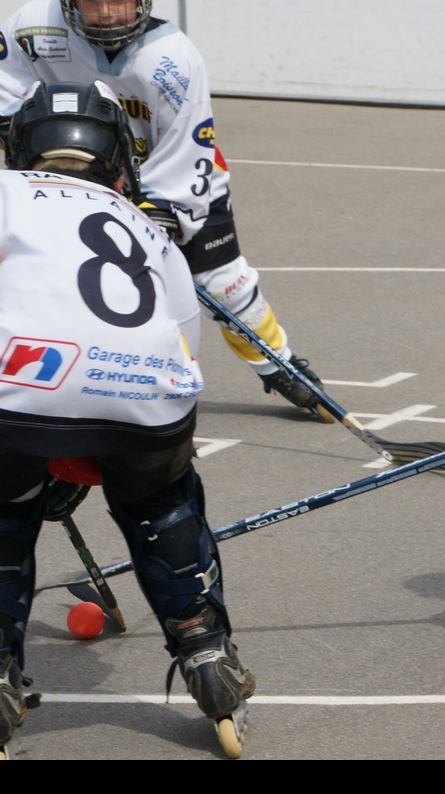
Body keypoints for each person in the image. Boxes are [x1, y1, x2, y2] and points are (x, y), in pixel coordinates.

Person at [0, 80, 254, 758]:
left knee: (6, 506)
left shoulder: (7, 191)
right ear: (119, 159)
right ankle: (208, 655)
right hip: (149, 401)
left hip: (24, 396)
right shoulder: (145, 225)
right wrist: (88, 452)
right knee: (161, 503)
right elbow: (180, 348)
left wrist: (49, 452)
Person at [0, 0, 330, 421]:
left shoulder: (173, 58)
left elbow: (187, 148)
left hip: (161, 179)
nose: (108, 11)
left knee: (222, 283)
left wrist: (162, 209)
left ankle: (280, 365)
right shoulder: (33, 28)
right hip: (70, 180)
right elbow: (6, 97)